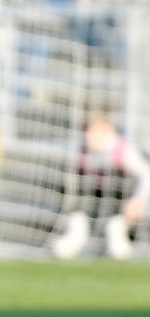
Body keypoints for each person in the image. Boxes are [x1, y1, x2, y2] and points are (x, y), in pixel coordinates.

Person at [50, 111, 149, 260]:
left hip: (126, 203)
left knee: (116, 231)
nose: (89, 136)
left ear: (107, 130)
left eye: (94, 132)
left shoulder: (123, 151)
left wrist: (138, 200)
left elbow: (147, 176)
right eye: (88, 131)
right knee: (77, 222)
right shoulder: (83, 152)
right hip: (96, 203)